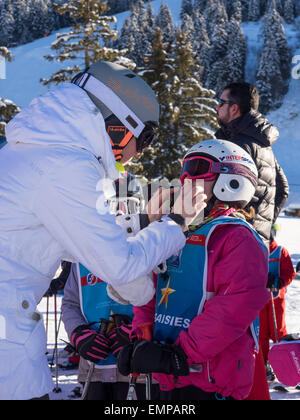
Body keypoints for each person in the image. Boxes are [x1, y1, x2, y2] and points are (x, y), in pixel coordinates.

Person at [0, 61, 206, 400]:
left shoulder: (33, 149)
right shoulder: (66, 165)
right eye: (144, 139)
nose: (139, 153)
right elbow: (118, 267)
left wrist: (142, 223)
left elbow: (76, 242)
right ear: (121, 124)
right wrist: (177, 222)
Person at [117, 139, 270, 401]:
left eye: (198, 168)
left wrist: (180, 355)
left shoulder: (237, 237)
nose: (187, 177)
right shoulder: (178, 232)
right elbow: (150, 285)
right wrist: (141, 332)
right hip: (170, 374)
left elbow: (234, 307)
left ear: (232, 180)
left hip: (212, 380)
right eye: (185, 168)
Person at [62, 171, 159, 400]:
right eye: (111, 207)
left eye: (127, 206)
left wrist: (138, 329)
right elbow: (70, 303)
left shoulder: (151, 248)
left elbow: (168, 302)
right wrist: (78, 334)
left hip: (139, 367)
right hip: (95, 368)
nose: (119, 214)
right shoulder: (82, 253)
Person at [215, 82, 289, 244]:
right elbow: (282, 190)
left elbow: (218, 196)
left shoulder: (234, 147)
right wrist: (263, 227)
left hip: (231, 241)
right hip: (256, 243)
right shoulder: (262, 144)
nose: (216, 107)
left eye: (221, 102)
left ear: (234, 108)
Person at [259, 225, 296, 380]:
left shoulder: (280, 251)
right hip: (259, 301)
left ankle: (286, 362)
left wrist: (278, 281)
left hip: (275, 300)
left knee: (277, 331)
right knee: (261, 334)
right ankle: (264, 363)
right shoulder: (256, 250)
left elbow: (289, 272)